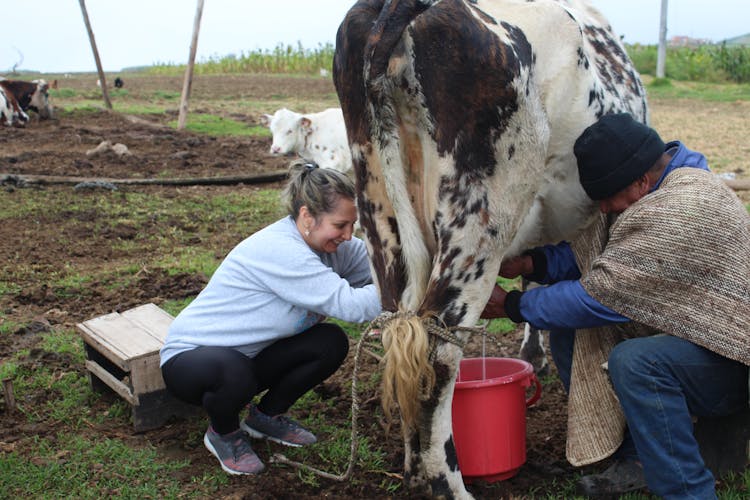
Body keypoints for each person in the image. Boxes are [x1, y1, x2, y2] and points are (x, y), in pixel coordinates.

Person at [481, 113, 749, 499]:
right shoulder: (654, 186)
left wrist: (512, 305)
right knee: (568, 333)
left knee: (637, 363)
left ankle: (687, 490)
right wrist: (533, 264)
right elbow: (601, 254)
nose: (603, 209)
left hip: (732, 362)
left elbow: (598, 296)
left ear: (640, 181)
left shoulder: (682, 209)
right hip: (694, 336)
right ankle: (631, 452)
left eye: (607, 199)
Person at [160, 160, 382, 475]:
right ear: (307, 215)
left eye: (353, 225)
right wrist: (409, 289)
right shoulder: (283, 250)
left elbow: (378, 270)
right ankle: (223, 434)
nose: (349, 235)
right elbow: (352, 305)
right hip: (192, 359)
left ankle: (265, 418)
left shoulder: (335, 247)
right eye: (340, 225)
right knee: (235, 373)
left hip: (250, 357)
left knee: (330, 342)